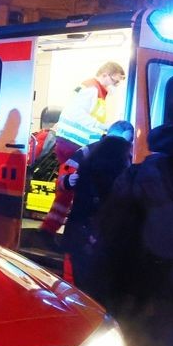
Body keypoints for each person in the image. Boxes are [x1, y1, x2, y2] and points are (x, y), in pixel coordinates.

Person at [92, 124, 173, 322]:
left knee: (128, 327)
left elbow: (111, 219)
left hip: (131, 269)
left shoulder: (132, 174)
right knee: (168, 327)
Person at [40, 62, 125, 239]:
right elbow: (76, 115)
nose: (115, 86)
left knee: (69, 190)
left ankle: (50, 230)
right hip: (73, 145)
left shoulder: (96, 91)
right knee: (69, 190)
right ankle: (48, 232)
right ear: (106, 75)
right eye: (115, 81)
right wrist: (103, 129)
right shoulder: (91, 90)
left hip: (73, 145)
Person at [60, 120, 134, 294]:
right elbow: (64, 177)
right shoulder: (86, 151)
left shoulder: (128, 156)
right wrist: (67, 181)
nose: (122, 145)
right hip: (90, 227)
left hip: (86, 229)